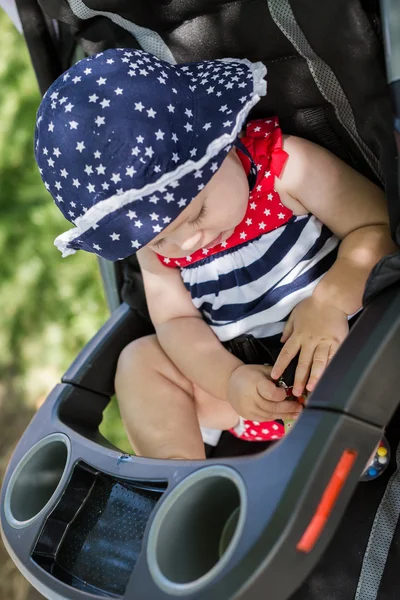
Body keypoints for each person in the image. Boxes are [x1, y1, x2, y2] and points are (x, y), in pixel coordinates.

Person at [34, 48, 396, 460]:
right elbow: (176, 322)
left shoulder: (286, 168)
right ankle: (182, 482)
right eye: (158, 240)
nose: (186, 243)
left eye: (198, 212)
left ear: (221, 142)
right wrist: (229, 381)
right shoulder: (158, 244)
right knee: (140, 362)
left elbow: (378, 227)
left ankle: (349, 437)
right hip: (249, 392)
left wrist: (329, 302)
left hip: (346, 341)